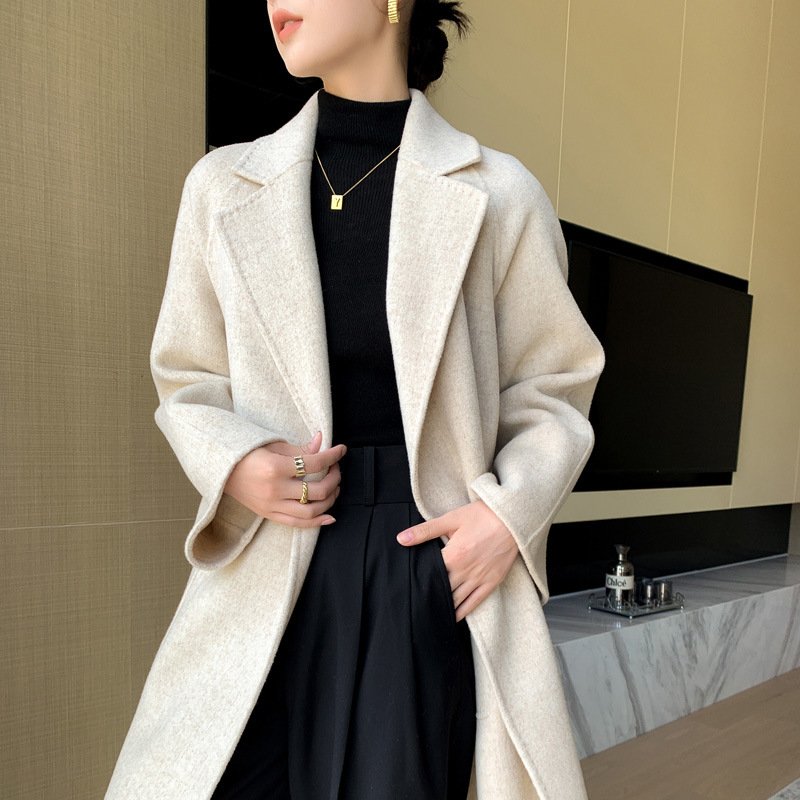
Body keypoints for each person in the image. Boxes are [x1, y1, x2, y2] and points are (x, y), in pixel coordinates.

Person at [105, 1, 605, 798]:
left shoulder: (500, 193)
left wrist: (504, 518)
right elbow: (188, 375)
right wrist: (236, 464)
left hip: (423, 553)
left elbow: (554, 385)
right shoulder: (222, 185)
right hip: (271, 548)